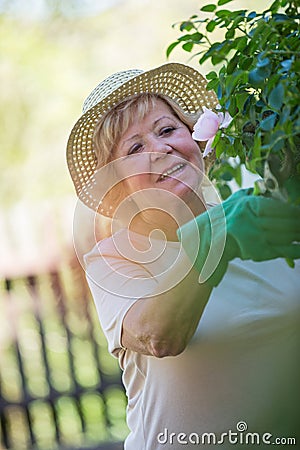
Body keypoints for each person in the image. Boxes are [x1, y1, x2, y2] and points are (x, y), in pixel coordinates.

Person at [67, 63, 300, 449]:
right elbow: (159, 336)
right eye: (136, 149)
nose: (160, 149)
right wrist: (216, 236)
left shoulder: (258, 211)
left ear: (196, 139)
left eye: (168, 130)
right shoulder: (115, 257)